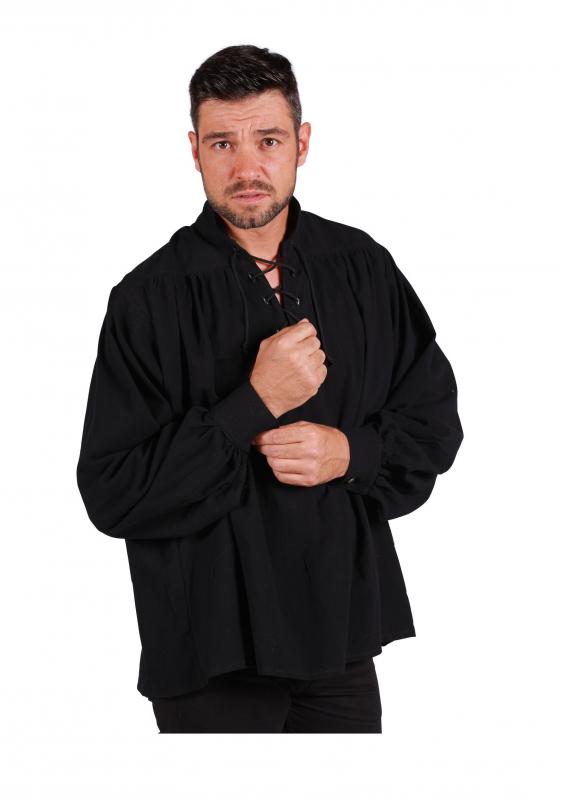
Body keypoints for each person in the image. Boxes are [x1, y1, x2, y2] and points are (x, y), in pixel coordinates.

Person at [76, 44, 464, 734]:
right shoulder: (147, 298)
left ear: (302, 144)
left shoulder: (363, 266)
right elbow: (112, 492)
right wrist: (251, 405)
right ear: (195, 150)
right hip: (209, 657)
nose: (246, 168)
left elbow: (434, 426)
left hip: (342, 643)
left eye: (269, 140)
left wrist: (351, 453)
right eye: (222, 143)